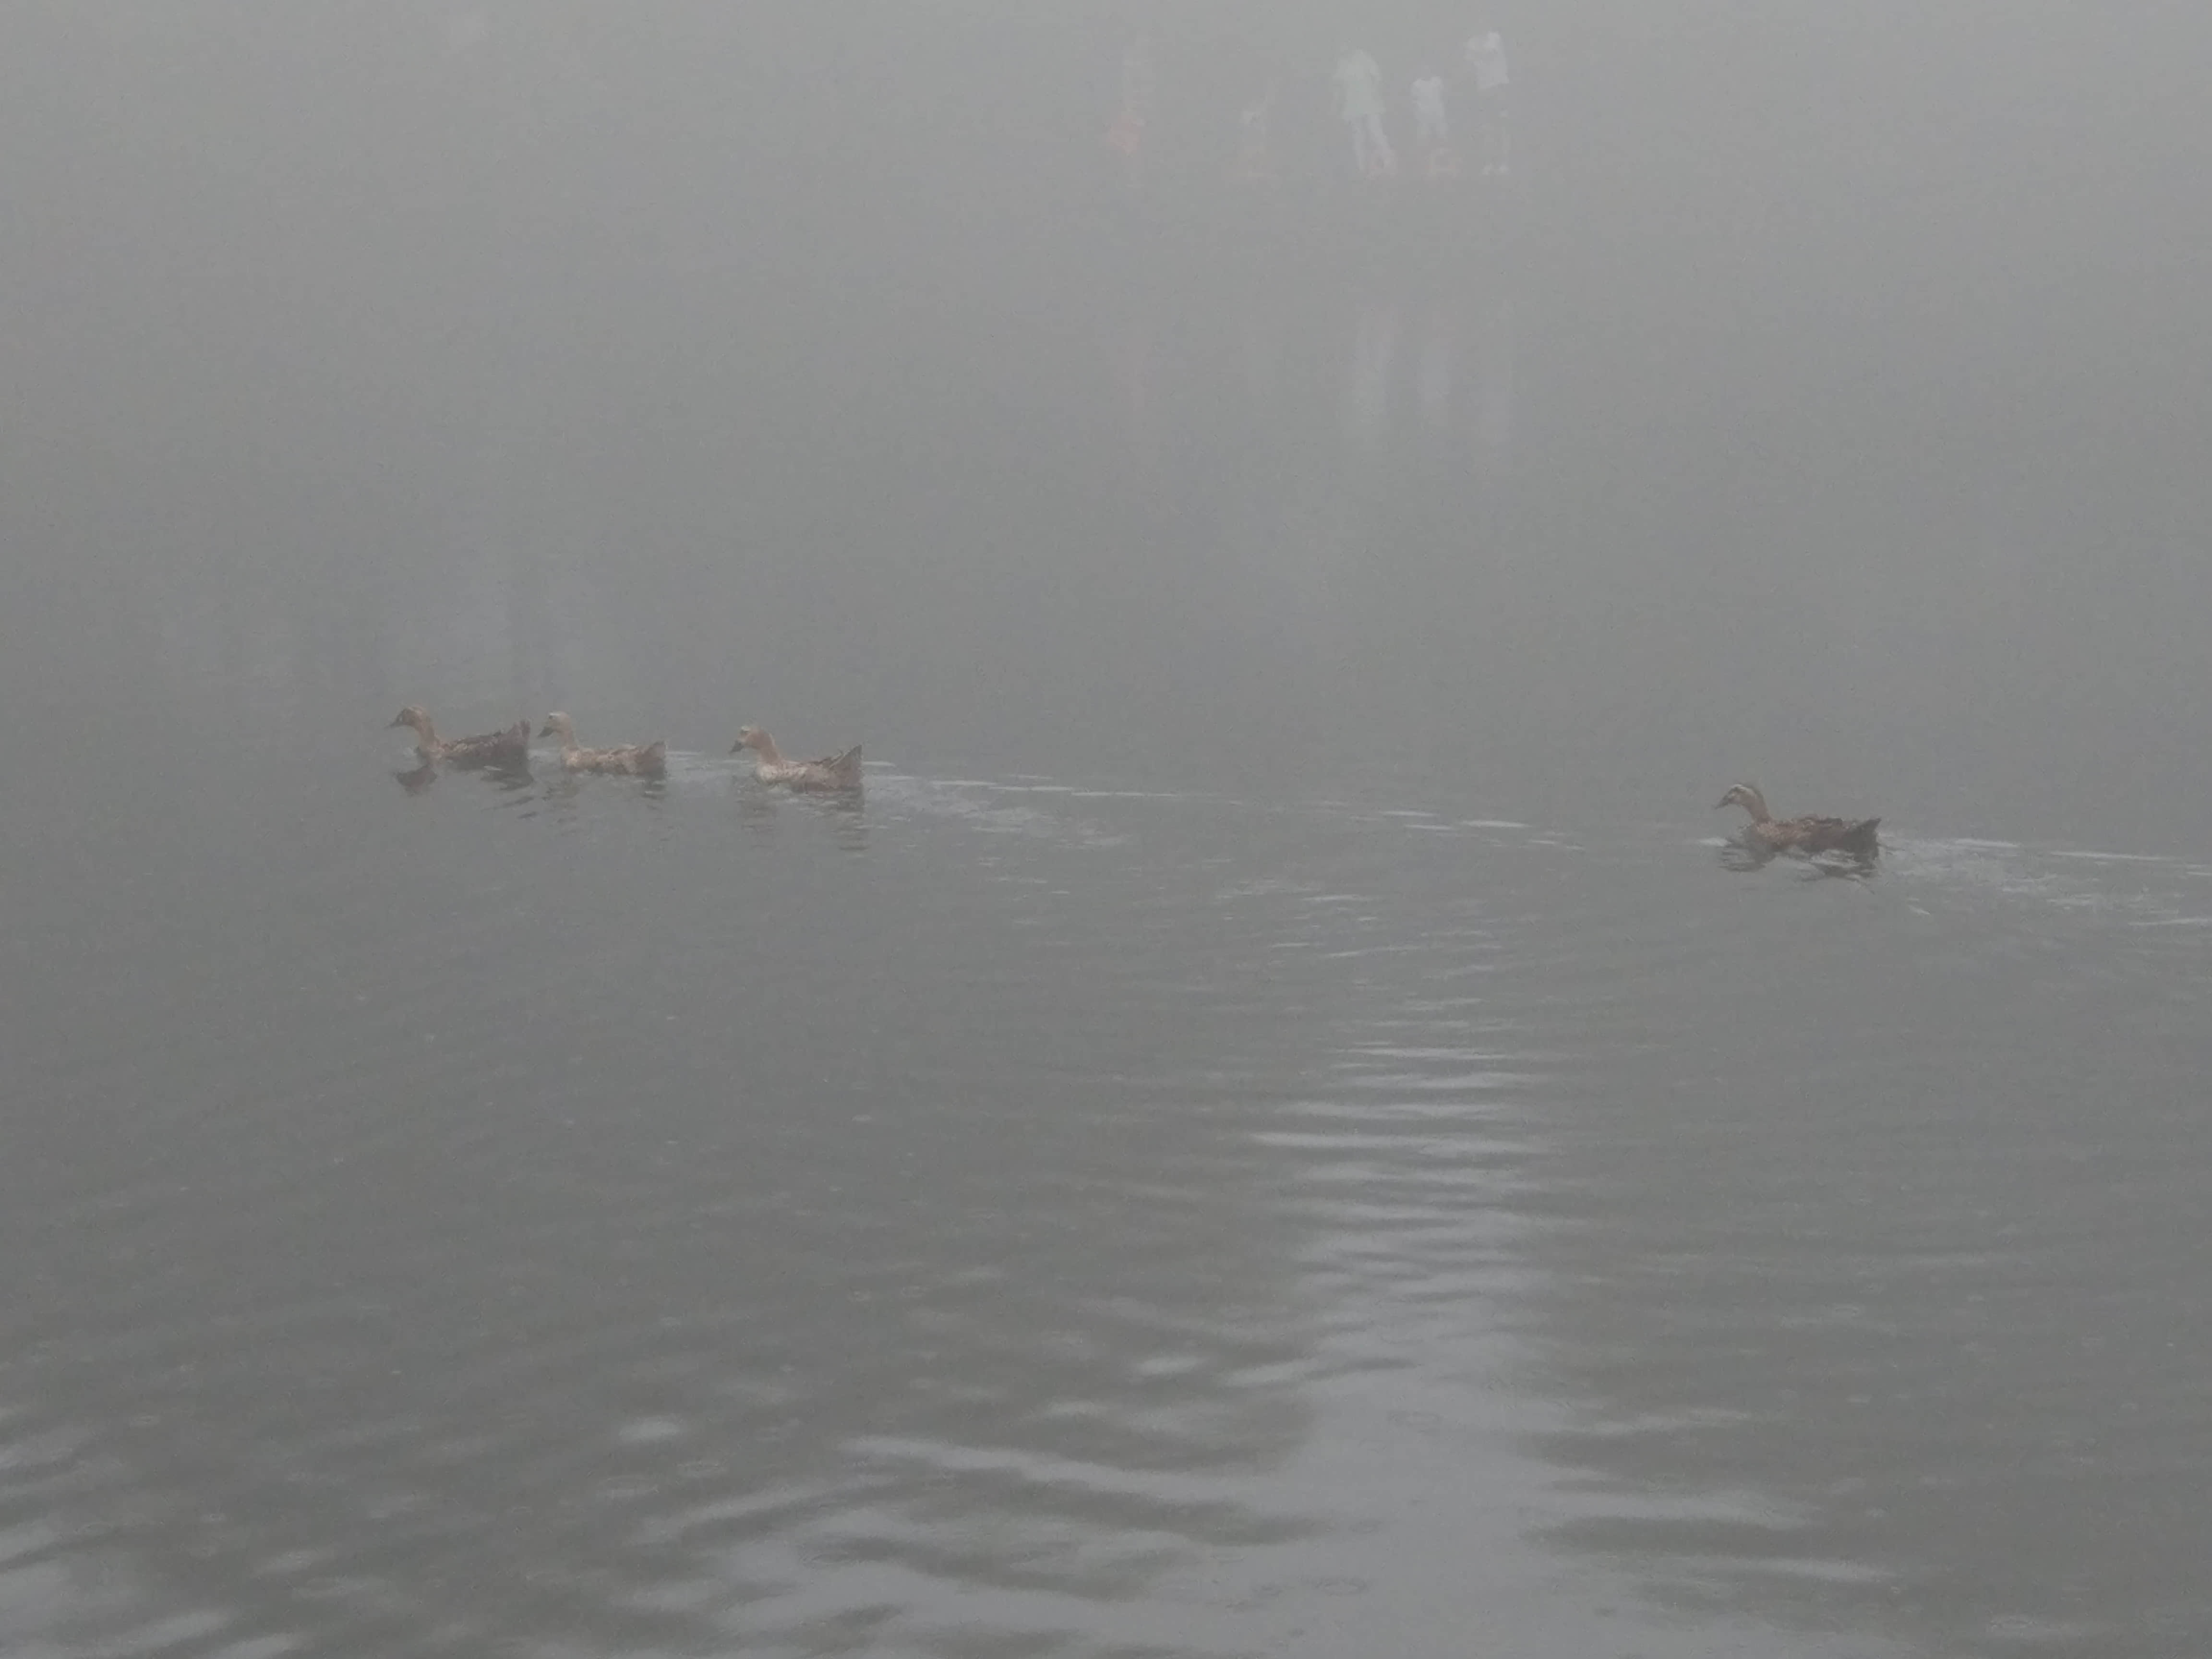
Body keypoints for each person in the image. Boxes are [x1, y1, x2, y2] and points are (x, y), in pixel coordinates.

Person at [1332, 47, 1394, 177]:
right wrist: (1335, 105)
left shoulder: (1364, 57)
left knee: (1376, 132)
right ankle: (1361, 168)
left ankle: (1389, 163)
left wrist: (1377, 94)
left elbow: (1378, 78)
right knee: (1358, 137)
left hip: (1370, 102)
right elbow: (1338, 86)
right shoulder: (1342, 63)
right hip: (1352, 105)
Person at [1464, 29, 1510, 176]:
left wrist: (1475, 53)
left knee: (1502, 127)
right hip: (1483, 90)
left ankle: (1504, 163)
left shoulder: (1494, 38)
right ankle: (1489, 163)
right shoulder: (1471, 42)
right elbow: (1468, 65)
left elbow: (1489, 55)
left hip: (1499, 87)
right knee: (1487, 129)